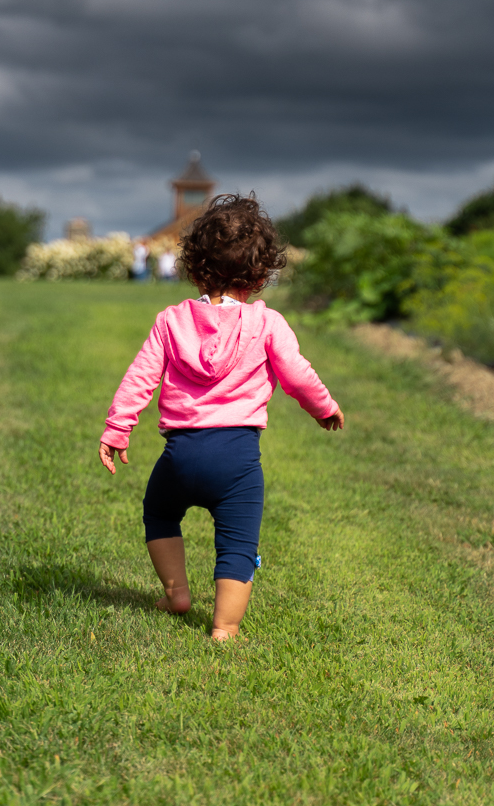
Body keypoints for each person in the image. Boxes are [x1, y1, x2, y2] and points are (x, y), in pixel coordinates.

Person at [98, 194, 344, 642]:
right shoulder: (267, 323)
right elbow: (297, 375)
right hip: (237, 461)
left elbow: (141, 377)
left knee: (160, 511)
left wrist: (118, 428)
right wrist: (323, 407)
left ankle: (176, 594)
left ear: (194, 266)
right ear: (261, 271)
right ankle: (225, 627)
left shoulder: (171, 321)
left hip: (181, 456)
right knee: (237, 542)